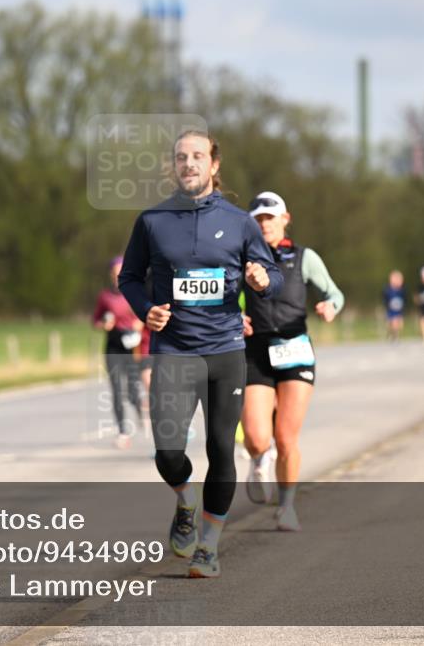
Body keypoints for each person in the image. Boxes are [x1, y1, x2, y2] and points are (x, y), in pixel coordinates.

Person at [119, 130, 282, 579]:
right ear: (173, 167)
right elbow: (130, 278)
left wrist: (262, 280)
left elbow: (271, 272)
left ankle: (209, 545)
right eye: (180, 157)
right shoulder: (152, 220)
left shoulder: (239, 222)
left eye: (197, 156)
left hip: (225, 350)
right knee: (168, 450)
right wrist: (146, 309)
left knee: (220, 448)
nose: (188, 163)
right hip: (173, 348)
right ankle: (185, 497)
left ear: (214, 166)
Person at [240, 192, 344, 532]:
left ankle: (286, 506)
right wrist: (233, 317)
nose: (265, 223)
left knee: (285, 438)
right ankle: (258, 456)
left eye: (271, 217)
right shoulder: (241, 259)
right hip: (255, 350)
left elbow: (334, 293)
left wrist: (330, 308)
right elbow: (224, 298)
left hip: (294, 349)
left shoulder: (304, 257)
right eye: (259, 219)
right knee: (256, 437)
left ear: (286, 219)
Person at [93, 255, 144, 449]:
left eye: (120, 273)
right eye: (115, 274)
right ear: (110, 275)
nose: (117, 277)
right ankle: (123, 431)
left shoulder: (134, 292)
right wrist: (104, 324)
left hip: (132, 346)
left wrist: (140, 322)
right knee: (115, 388)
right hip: (113, 346)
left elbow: (146, 313)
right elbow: (95, 320)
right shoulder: (105, 297)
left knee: (132, 390)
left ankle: (141, 410)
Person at [382, 270, 406, 342]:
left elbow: (405, 299)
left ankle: (395, 335)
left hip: (399, 310)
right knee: (392, 323)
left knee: (399, 325)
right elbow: (385, 299)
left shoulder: (402, 290)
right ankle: (393, 335)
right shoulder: (387, 290)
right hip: (391, 310)